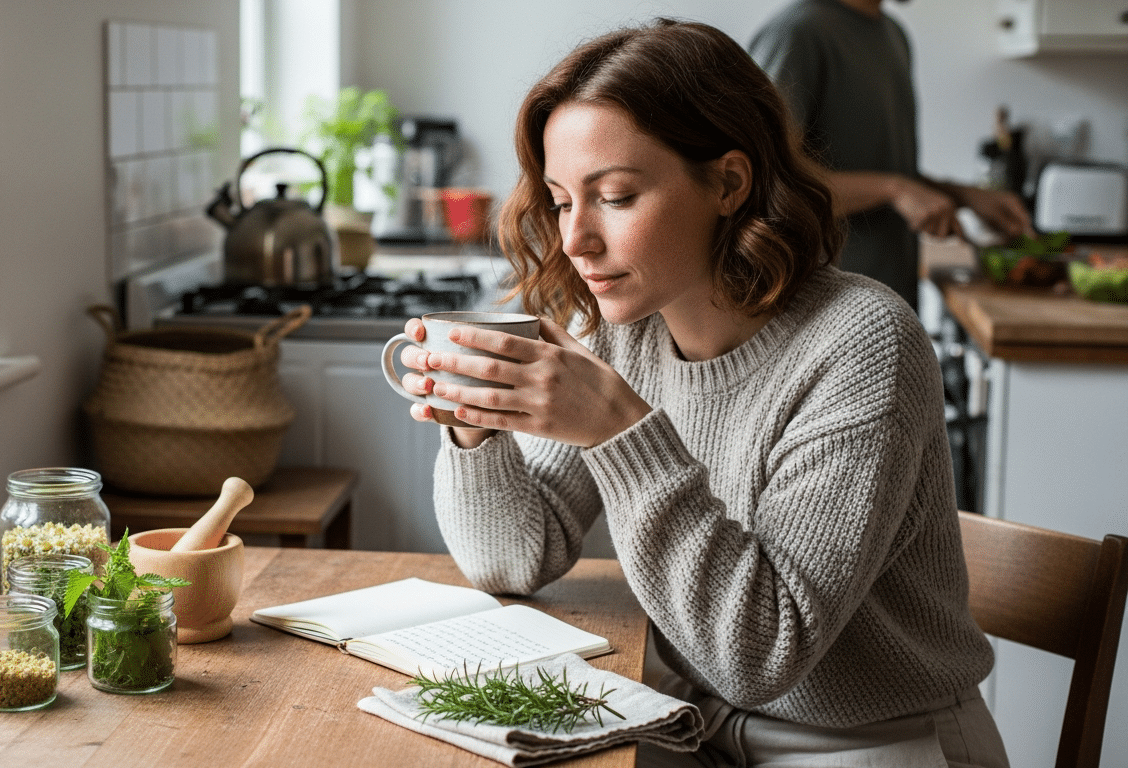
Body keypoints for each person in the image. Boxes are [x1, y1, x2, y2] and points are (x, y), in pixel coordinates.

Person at [393, 19, 1009, 768]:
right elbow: (513, 562)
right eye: (560, 201)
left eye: (615, 196)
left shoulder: (862, 343)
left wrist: (623, 433)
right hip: (694, 728)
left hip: (872, 742)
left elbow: (764, 655)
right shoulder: (624, 330)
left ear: (728, 182)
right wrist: (475, 427)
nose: (575, 240)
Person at [749, 0, 1032, 310]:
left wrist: (964, 197)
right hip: (824, 312)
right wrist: (893, 189)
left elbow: (883, 167)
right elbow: (769, 180)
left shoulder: (894, 35)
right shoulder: (797, 33)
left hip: (891, 302)